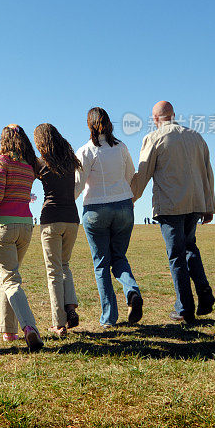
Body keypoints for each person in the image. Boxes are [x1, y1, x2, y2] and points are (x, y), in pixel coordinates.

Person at [131, 100, 215, 324]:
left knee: (176, 256)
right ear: (174, 115)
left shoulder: (154, 138)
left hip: (170, 205)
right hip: (195, 203)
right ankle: (204, 293)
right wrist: (209, 206)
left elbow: (143, 173)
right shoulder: (197, 137)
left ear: (155, 119)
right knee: (190, 248)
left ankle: (185, 308)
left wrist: (129, 198)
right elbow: (208, 173)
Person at [75, 108, 143, 328]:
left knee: (101, 264)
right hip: (123, 205)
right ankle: (132, 292)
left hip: (96, 208)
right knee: (119, 257)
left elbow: (78, 184)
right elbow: (130, 175)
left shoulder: (85, 151)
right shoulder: (121, 147)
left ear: (90, 125)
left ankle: (109, 317)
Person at [0, 125, 44, 352]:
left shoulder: (2, 161)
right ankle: (9, 330)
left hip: (5, 225)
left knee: (10, 279)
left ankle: (29, 327)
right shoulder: (30, 165)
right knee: (7, 276)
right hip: (26, 225)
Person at [33, 123, 81, 337]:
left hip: (51, 219)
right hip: (72, 219)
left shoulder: (42, 164)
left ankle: (59, 323)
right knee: (64, 265)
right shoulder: (71, 161)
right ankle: (70, 307)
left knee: (54, 271)